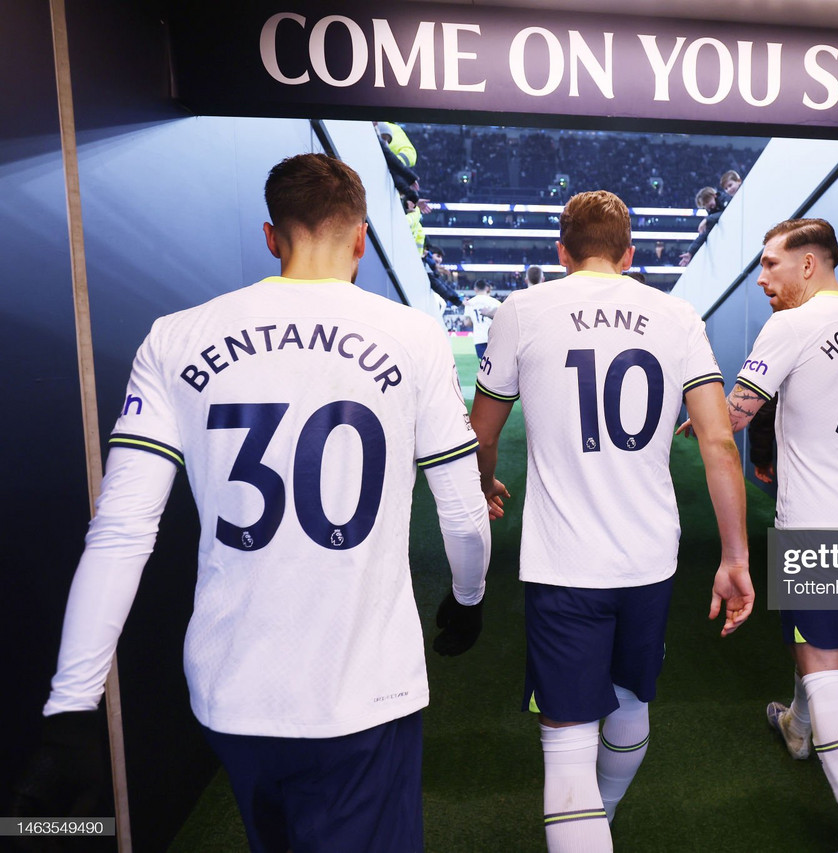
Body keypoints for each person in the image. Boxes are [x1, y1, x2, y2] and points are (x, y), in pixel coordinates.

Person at [16, 153, 491, 852]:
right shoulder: (415, 337)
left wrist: (71, 704)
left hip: (231, 695)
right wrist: (469, 594)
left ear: (272, 236)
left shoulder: (173, 338)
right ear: (361, 237)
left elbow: (119, 530)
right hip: (364, 693)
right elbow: (462, 509)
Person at [469, 189, 754, 852]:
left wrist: (485, 485)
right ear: (629, 255)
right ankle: (606, 816)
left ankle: (590, 825)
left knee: (567, 741)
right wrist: (735, 555)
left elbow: (482, 434)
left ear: (560, 251)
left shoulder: (523, 307)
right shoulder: (676, 313)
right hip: (648, 559)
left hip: (562, 563)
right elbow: (717, 441)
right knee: (631, 700)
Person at [686, 217, 838, 853]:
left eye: (771, 265)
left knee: (827, 672)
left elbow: (738, 411)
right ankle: (796, 726)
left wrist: (696, 424)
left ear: (809, 264)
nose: (763, 279)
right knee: (814, 640)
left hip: (817, 524)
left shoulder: (790, 325)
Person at [678, 187, 723, 266]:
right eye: (704, 205)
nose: (708, 205)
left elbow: (725, 212)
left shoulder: (725, 198)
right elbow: (703, 235)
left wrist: (707, 219)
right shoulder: (711, 215)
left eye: (707, 201)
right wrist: (690, 252)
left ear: (714, 196)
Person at [465, 280, 502, 360]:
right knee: (496, 367)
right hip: (494, 339)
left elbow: (467, 323)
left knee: (484, 368)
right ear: (487, 288)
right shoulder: (496, 302)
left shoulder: (469, 303)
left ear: (475, 289)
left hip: (479, 339)